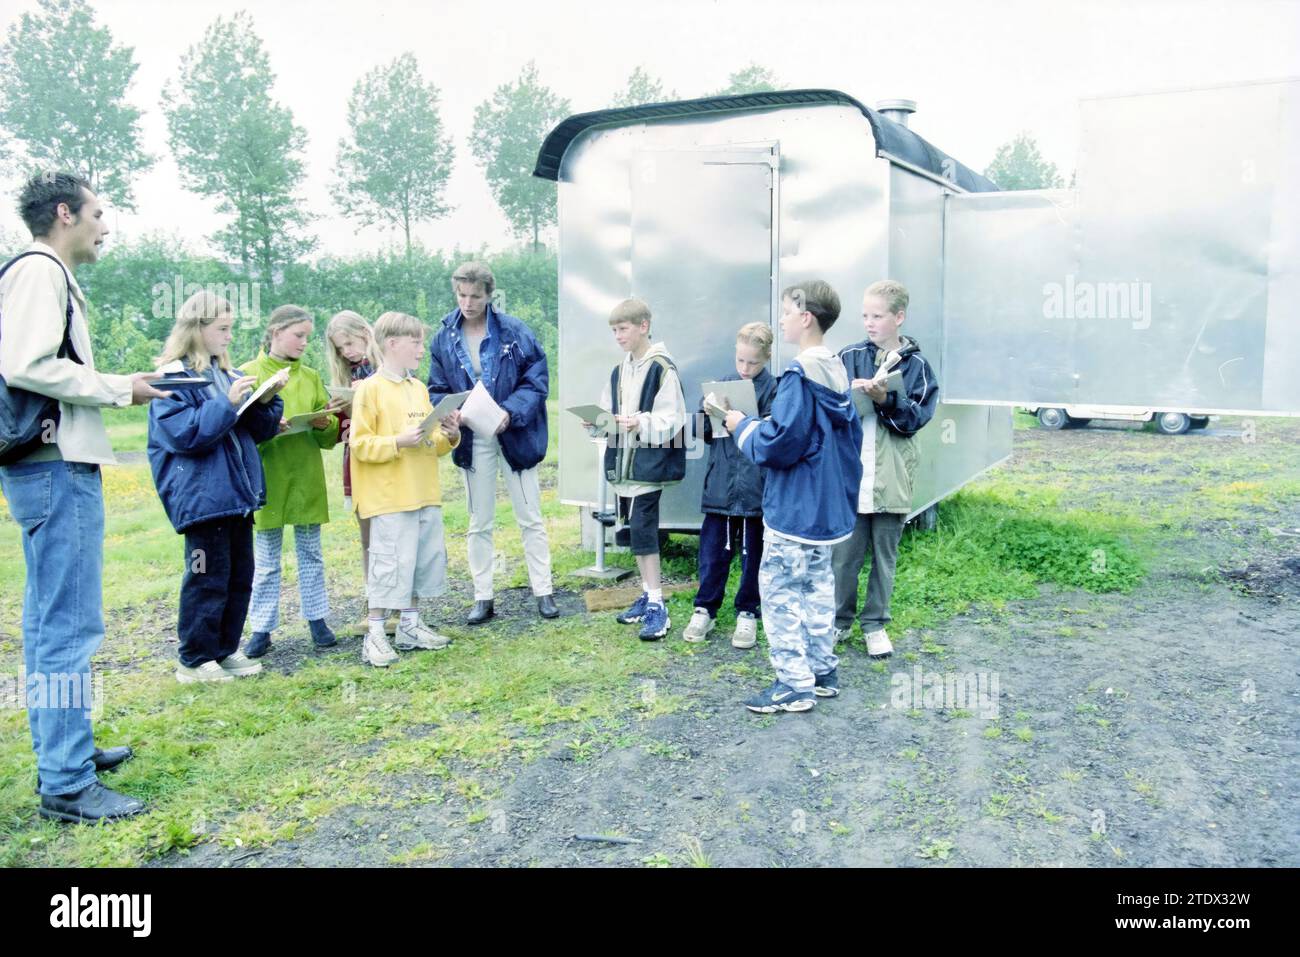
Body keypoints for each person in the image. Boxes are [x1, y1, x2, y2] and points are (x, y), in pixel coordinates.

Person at [0, 171, 170, 822]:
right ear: (65, 213)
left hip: (44, 467)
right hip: (56, 467)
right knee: (67, 628)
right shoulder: (40, 269)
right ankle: (67, 782)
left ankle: (64, 753)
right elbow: (26, 364)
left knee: (48, 627)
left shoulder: (37, 272)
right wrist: (117, 386)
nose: (106, 225)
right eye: (99, 213)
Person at [723, 280, 863, 713]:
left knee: (781, 593)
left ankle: (793, 684)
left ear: (805, 318)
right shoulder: (837, 370)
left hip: (795, 510)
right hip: (826, 512)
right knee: (817, 588)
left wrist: (740, 425)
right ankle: (822, 672)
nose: (781, 319)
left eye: (786, 311)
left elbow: (779, 443)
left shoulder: (799, 376)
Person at [147, 291, 287, 683]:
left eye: (230, 328)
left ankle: (223, 650)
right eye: (222, 329)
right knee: (206, 576)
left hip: (235, 497)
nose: (229, 337)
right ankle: (193, 659)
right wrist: (226, 403)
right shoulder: (173, 378)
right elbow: (187, 435)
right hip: (201, 499)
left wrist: (266, 402)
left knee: (238, 575)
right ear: (196, 329)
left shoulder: (223, 373)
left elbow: (252, 433)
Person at [427, 262, 556, 625]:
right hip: (472, 437)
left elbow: (536, 379)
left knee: (530, 517)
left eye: (475, 296)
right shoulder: (443, 337)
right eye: (461, 295)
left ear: (489, 295)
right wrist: (448, 414)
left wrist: (510, 413)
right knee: (478, 520)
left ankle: (543, 591)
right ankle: (483, 596)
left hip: (514, 433)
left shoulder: (515, 331)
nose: (467, 303)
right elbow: (437, 387)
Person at [833, 280, 939, 659]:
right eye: (865, 315)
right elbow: (830, 410)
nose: (869, 323)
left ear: (899, 317)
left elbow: (916, 418)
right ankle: (839, 620)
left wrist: (886, 399)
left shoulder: (918, 366)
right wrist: (853, 399)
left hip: (893, 472)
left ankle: (875, 623)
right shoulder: (847, 357)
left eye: (877, 316)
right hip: (853, 472)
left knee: (884, 553)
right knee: (844, 555)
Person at [349, 312, 461, 667]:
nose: (421, 348)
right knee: (388, 566)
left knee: (417, 563)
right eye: (415, 342)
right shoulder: (370, 389)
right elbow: (360, 444)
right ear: (391, 344)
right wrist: (397, 441)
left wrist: (452, 434)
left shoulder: (419, 388)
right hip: (389, 497)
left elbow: (433, 443)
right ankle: (376, 635)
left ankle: (411, 627)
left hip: (423, 491)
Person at [241, 305, 342, 658]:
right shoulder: (248, 374)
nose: (303, 343)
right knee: (266, 560)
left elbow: (328, 438)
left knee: (311, 554)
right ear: (275, 333)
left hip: (306, 476)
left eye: (307, 337)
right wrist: (269, 427)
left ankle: (317, 619)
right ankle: (262, 628)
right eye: (298, 336)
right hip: (269, 477)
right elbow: (241, 433)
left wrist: (324, 423)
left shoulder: (312, 376)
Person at [682, 322, 778, 649]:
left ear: (766, 358)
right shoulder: (721, 385)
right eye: (740, 360)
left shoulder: (776, 389)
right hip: (721, 487)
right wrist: (705, 412)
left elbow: (775, 438)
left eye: (752, 362)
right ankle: (704, 609)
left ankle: (748, 612)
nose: (745, 368)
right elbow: (702, 433)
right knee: (712, 553)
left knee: (754, 555)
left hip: (757, 490)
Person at [597, 298, 687, 641]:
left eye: (623, 329)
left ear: (643, 326)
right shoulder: (619, 370)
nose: (618, 336)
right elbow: (608, 409)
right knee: (636, 535)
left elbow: (672, 419)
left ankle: (657, 606)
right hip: (624, 465)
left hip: (647, 466)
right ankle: (647, 594)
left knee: (645, 534)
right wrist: (598, 423)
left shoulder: (662, 368)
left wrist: (638, 422)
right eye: (614, 330)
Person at [324, 309, 388, 636]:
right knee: (368, 538)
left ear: (365, 332)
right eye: (339, 348)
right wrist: (335, 416)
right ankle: (373, 600)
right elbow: (339, 431)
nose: (347, 351)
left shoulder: (386, 367)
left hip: (387, 460)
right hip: (357, 461)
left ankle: (399, 605)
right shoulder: (345, 375)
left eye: (349, 342)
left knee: (391, 533)